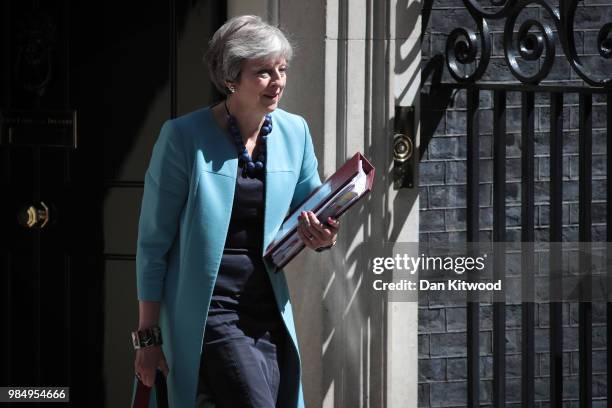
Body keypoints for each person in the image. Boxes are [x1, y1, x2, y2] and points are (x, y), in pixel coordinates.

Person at [131, 15, 340, 407]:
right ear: (230, 77)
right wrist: (148, 337)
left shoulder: (295, 132)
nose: (277, 81)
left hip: (269, 311)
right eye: (263, 72)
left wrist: (325, 236)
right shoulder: (181, 139)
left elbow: (314, 209)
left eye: (282, 69)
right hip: (209, 312)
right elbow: (152, 244)